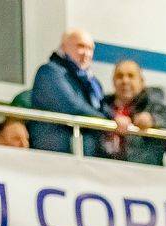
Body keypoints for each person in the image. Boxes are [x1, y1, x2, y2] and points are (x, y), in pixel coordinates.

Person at [28, 27, 113, 155]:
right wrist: (109, 123)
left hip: (85, 154)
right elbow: (71, 106)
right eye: (81, 46)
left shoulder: (93, 82)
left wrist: (116, 118)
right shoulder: (50, 72)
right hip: (55, 153)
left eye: (90, 49)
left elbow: (103, 108)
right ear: (63, 47)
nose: (86, 53)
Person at [103, 58, 166, 166]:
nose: (125, 81)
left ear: (142, 82)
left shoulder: (152, 104)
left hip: (143, 171)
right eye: (120, 76)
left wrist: (152, 120)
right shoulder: (103, 105)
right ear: (113, 81)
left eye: (131, 76)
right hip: (104, 169)